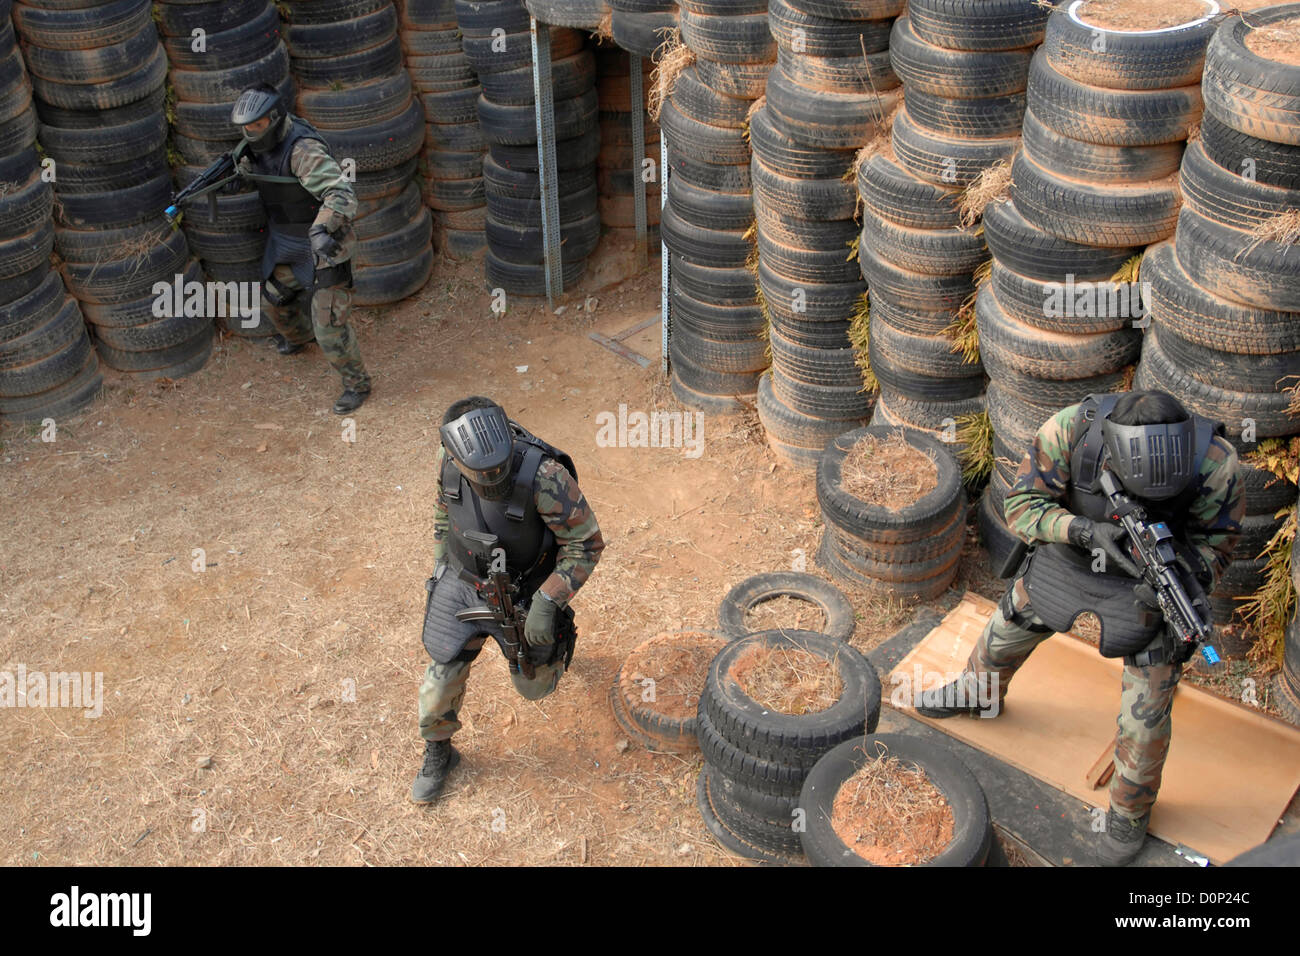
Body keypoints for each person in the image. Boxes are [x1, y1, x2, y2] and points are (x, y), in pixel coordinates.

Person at [919, 390, 1244, 865]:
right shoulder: (1073, 429)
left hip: (1150, 585)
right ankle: (978, 693)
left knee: (1146, 711)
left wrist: (1186, 576)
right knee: (1008, 625)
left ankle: (1130, 812)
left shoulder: (1215, 461)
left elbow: (1219, 542)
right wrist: (1084, 532)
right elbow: (1023, 505)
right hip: (1070, 557)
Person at [411, 397, 605, 803]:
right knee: (439, 678)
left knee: (534, 688)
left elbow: (585, 544)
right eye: (482, 473)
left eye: (499, 469)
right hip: (463, 581)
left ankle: (558, 647)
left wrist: (548, 602)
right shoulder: (447, 459)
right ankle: (439, 750)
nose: (493, 478)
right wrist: (438, 569)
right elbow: (443, 513)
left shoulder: (545, 476)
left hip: (526, 591)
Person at [229, 84, 371, 414]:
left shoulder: (303, 150)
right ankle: (297, 338)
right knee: (273, 300)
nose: (251, 132)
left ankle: (357, 384)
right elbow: (272, 177)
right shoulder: (256, 147)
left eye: (258, 125)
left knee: (330, 328)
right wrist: (243, 177)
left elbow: (341, 195)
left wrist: (323, 228)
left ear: (275, 119)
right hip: (289, 243)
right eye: (246, 128)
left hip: (324, 246)